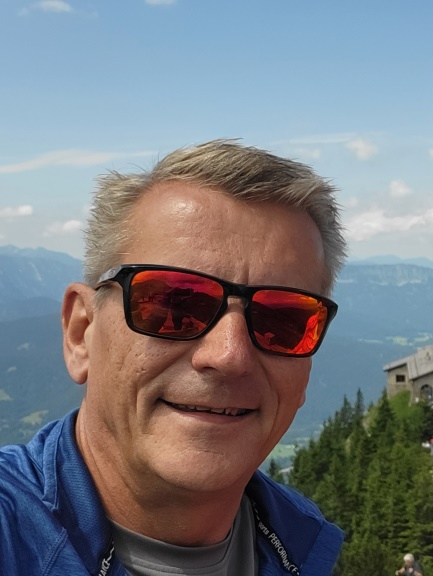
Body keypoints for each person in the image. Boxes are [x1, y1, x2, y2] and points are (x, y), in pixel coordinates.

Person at [0, 140, 347, 574]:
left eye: (283, 320)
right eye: (174, 306)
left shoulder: (305, 544)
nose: (229, 355)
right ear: (81, 334)